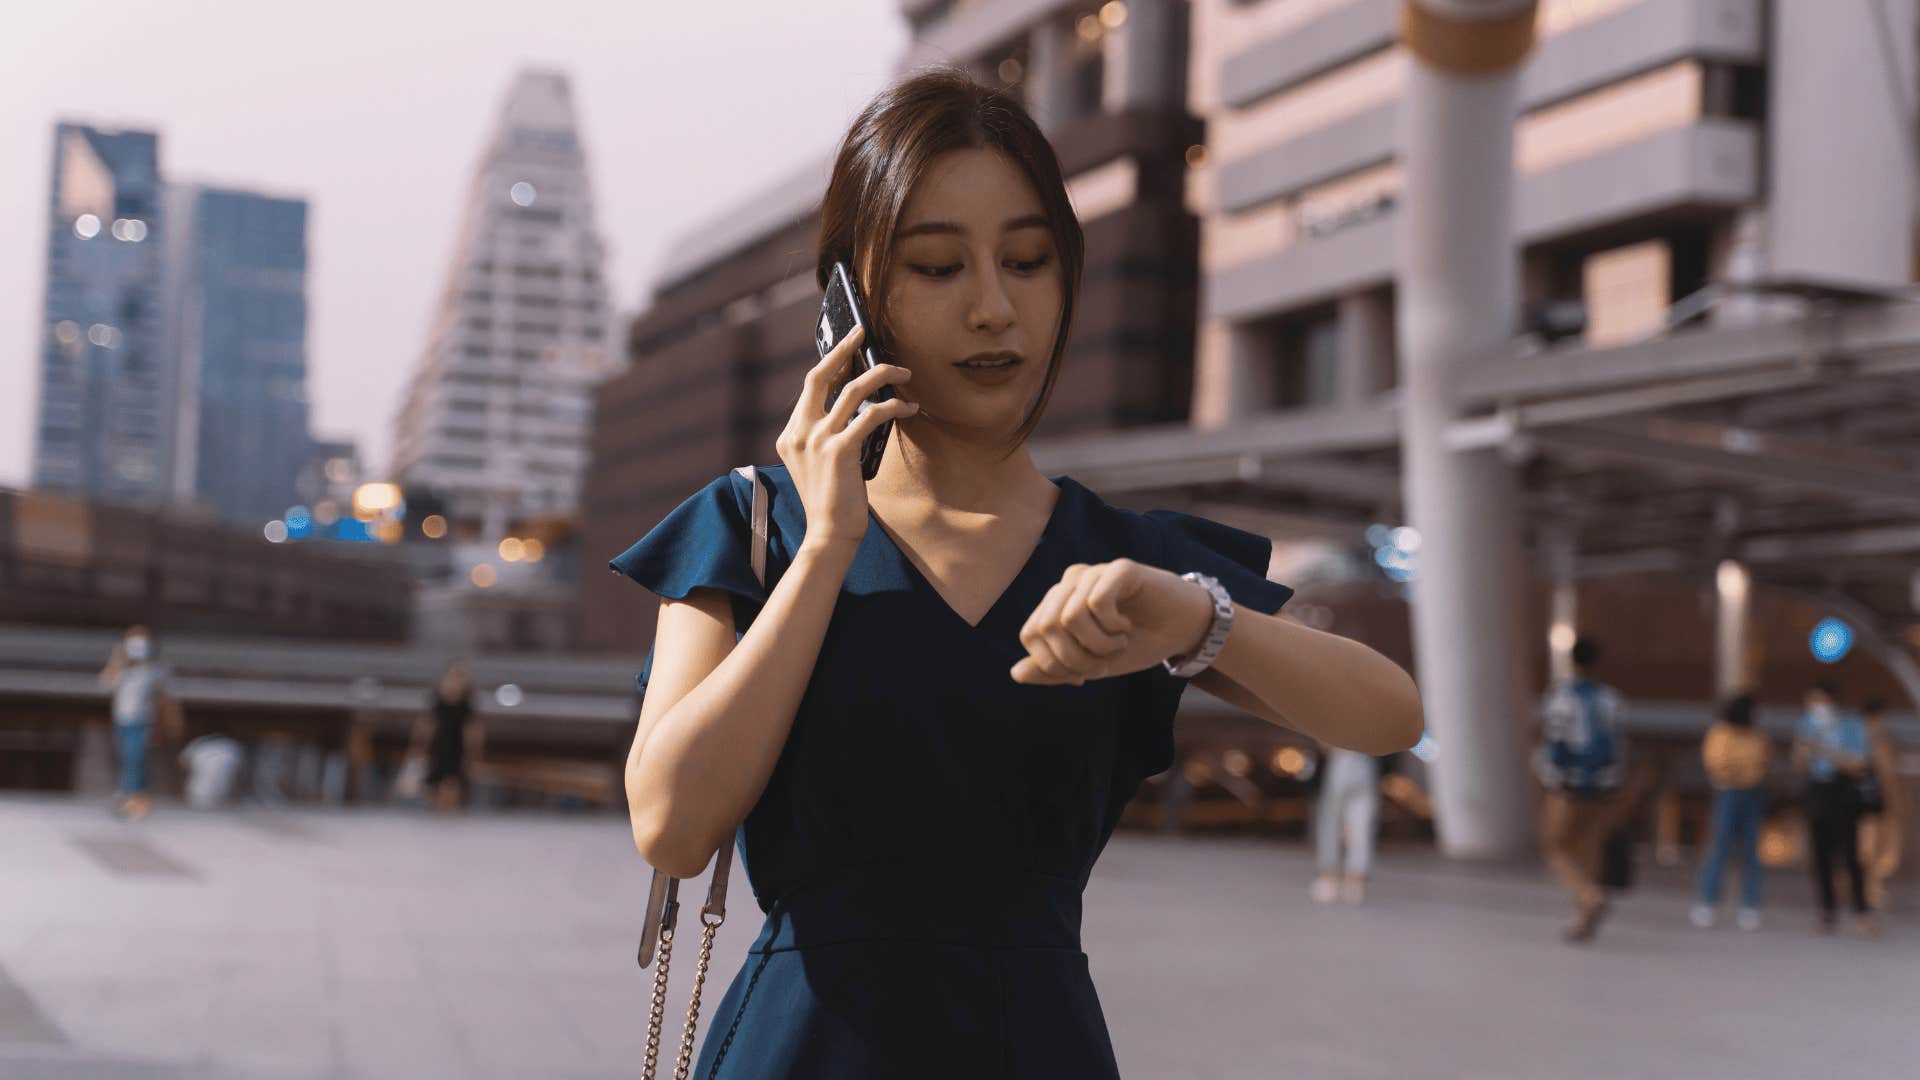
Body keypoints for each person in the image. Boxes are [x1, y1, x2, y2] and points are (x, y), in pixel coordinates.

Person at [613, 70, 1423, 1078]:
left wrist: (1193, 619)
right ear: (852, 299)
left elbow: (1388, 716)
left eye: (1029, 261)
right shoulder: (756, 525)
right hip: (803, 1050)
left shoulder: (1127, 558)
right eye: (939, 267)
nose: (995, 308)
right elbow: (673, 826)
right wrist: (827, 547)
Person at [1534, 636, 1625, 943]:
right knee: (1589, 846)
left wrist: (1551, 776)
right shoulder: (1610, 699)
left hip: (1568, 783)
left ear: (1572, 662)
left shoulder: (1561, 697)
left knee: (1555, 846)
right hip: (1604, 784)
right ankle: (1582, 919)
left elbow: (1555, 741)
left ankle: (1588, 895)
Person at [1792, 681, 1873, 935]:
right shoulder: (1805, 725)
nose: (1814, 707)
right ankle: (1827, 910)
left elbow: (1858, 763)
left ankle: (1862, 911)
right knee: (1820, 854)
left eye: (1818, 701)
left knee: (1851, 855)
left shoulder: (1851, 725)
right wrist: (1803, 754)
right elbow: (1801, 765)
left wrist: (1822, 749)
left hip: (1844, 791)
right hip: (1818, 789)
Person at [1690, 693, 1770, 930]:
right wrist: (1741, 770)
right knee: (1719, 847)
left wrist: (1739, 770)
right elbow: (1717, 765)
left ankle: (1750, 905)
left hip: (1752, 794)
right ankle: (1707, 901)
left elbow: (1759, 765)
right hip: (1727, 793)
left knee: (1751, 851)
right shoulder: (1721, 732)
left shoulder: (1757, 736)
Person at [96, 625, 175, 820]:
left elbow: (165, 695)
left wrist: (167, 722)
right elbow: (105, 685)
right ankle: (132, 797)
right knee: (126, 758)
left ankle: (130, 799)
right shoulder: (121, 666)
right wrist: (118, 660)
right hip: (122, 720)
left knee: (135, 758)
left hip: (143, 721)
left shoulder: (156, 667)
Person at [1311, 744, 1381, 905]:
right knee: (1359, 824)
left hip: (1346, 761)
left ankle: (1334, 876)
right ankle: (1351, 879)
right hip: (1362, 761)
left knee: (1334, 821)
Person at [408, 662, 481, 812]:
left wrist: (473, 752)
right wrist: (419, 745)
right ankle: (436, 811)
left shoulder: (467, 701)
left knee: (453, 783)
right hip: (438, 746)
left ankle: (452, 812)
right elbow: (426, 723)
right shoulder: (437, 698)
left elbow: (472, 729)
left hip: (457, 748)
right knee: (435, 783)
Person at [1855, 698, 1903, 913]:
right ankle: (1868, 891)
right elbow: (1888, 776)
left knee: (1873, 849)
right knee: (1869, 848)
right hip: (1871, 803)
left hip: (1873, 803)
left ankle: (1869, 890)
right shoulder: (1871, 742)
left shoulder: (1873, 740)